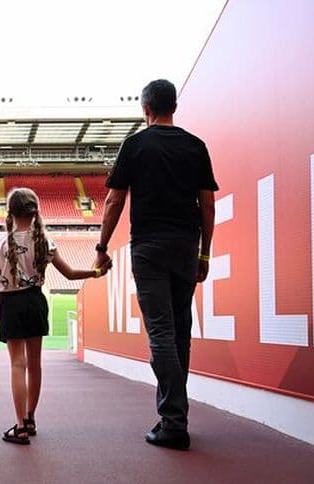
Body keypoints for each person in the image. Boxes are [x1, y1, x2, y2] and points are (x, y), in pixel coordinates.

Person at [95, 79, 218, 451]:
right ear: (174, 107)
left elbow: (114, 201)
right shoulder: (196, 146)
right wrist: (205, 253)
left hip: (149, 247)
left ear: (145, 109)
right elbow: (207, 205)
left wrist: (102, 247)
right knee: (180, 331)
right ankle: (175, 416)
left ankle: (174, 421)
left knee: (161, 333)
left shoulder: (135, 145)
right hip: (186, 246)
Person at [0, 188, 111, 444]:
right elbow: (71, 274)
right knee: (35, 364)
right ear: (35, 211)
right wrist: (97, 272)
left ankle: (20, 426)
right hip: (35, 302)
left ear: (10, 212)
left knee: (17, 364)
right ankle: (31, 418)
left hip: (10, 304)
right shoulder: (45, 242)